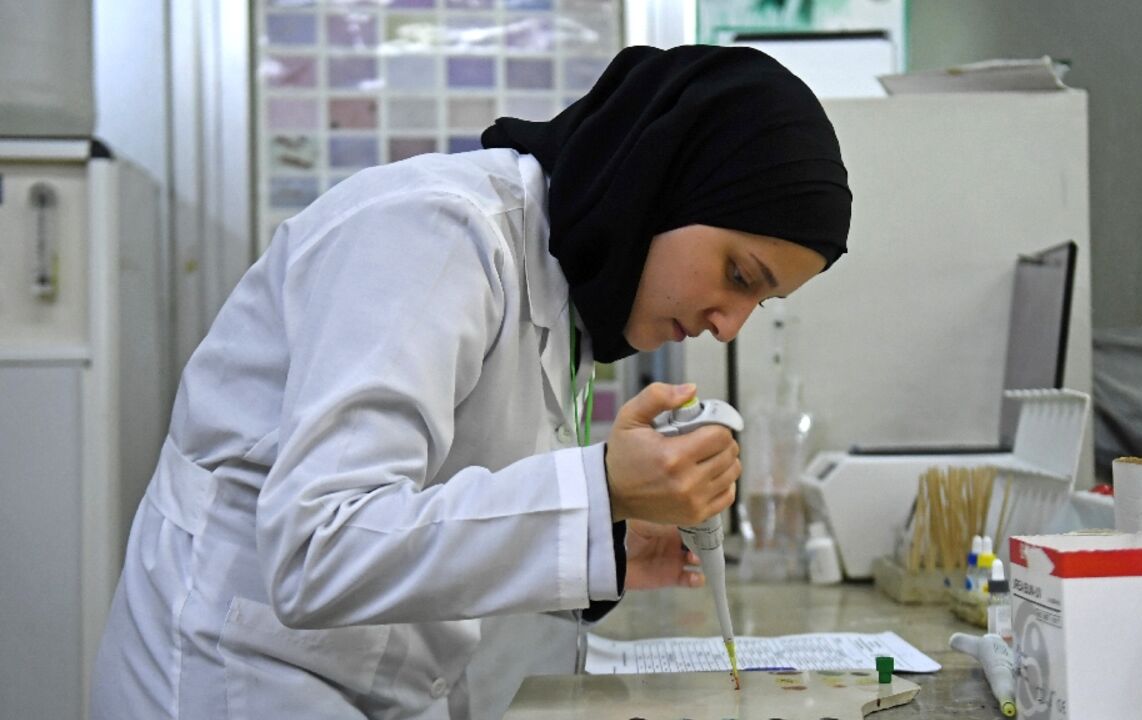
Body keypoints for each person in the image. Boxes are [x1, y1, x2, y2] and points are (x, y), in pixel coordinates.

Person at [89, 44, 851, 720]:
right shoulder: (439, 233)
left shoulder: (566, 290)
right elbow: (319, 548)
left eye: (762, 299)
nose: (731, 324)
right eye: (739, 274)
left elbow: (447, 511)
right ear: (666, 183)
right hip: (237, 678)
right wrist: (595, 491)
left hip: (359, 682)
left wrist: (603, 545)